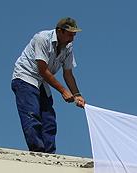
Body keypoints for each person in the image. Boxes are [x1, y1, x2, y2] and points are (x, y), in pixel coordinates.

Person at [11, 17, 86, 154]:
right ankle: (37, 151)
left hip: (42, 82)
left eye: (74, 35)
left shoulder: (68, 47)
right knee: (32, 114)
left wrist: (77, 94)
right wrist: (63, 91)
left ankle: (49, 155)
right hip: (26, 77)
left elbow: (68, 73)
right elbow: (43, 70)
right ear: (59, 31)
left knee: (49, 120)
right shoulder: (42, 38)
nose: (72, 38)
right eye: (70, 34)